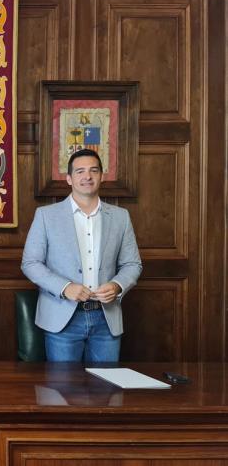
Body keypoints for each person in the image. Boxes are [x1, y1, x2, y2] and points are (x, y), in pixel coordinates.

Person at [21, 148, 142, 363]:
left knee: (106, 383)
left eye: (93, 170)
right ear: (69, 178)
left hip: (106, 318)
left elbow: (132, 264)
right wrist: (65, 287)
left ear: (101, 176)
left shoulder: (120, 217)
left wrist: (117, 285)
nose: (87, 176)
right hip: (62, 318)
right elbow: (30, 263)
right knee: (62, 384)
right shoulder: (46, 216)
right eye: (80, 171)